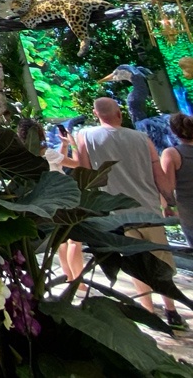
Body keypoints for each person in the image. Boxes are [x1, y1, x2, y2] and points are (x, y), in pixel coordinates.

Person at [76, 97, 185, 327]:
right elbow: (159, 176)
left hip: (115, 215)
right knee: (160, 261)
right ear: (119, 114)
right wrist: (170, 202)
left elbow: (84, 174)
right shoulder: (141, 138)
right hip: (148, 211)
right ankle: (172, 310)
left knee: (135, 264)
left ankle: (149, 313)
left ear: (97, 115)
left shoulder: (85, 137)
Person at [18, 119, 82, 282]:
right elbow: (76, 163)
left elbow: (58, 159)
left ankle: (68, 276)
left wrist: (64, 145)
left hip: (45, 198)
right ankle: (78, 281)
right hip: (62, 195)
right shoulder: (46, 152)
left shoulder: (26, 155)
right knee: (73, 239)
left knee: (59, 240)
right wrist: (74, 144)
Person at [161, 113, 193, 247]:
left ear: (174, 131)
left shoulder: (172, 154)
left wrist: (166, 207)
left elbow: (167, 186)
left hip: (189, 214)